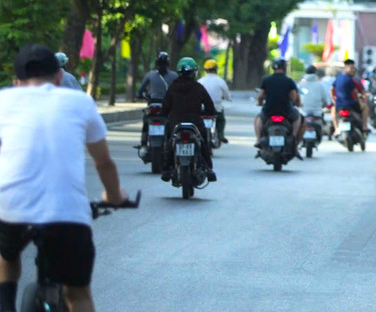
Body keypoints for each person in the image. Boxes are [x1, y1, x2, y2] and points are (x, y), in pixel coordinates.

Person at [0, 45, 128, 312]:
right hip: (67, 212)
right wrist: (114, 196)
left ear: (16, 82)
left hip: (10, 207)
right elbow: (103, 162)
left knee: (5, 256)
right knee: (78, 293)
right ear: (59, 78)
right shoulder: (80, 102)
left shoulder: (3, 101)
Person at [158, 58, 217, 180]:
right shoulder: (198, 87)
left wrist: (165, 114)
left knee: (170, 142)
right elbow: (210, 107)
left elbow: (165, 108)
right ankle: (208, 168)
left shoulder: (172, 88)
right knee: (203, 142)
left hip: (176, 123)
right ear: (194, 72)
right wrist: (207, 113)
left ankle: (167, 169)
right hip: (195, 123)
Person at [257, 58, 304, 147]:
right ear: (284, 67)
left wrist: (260, 103)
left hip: (269, 111)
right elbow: (294, 97)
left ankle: (258, 140)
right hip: (286, 111)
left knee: (259, 118)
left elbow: (260, 96)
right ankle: (293, 137)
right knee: (298, 117)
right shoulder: (289, 81)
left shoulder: (266, 80)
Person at [199, 59, 231, 146]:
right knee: (221, 120)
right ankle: (220, 134)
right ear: (216, 69)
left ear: (205, 70)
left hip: (202, 108)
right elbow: (227, 95)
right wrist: (227, 98)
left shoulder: (200, 81)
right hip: (216, 108)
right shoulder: (220, 81)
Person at [331, 59, 365, 139]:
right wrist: (359, 101)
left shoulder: (339, 77)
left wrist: (333, 98)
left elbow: (332, 89)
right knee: (365, 108)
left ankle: (336, 129)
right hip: (350, 104)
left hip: (339, 105)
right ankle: (364, 126)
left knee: (333, 112)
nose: (352, 70)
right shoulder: (351, 79)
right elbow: (356, 92)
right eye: (351, 68)